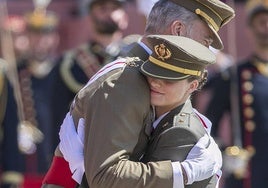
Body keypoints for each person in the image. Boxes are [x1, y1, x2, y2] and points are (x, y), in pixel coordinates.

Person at [42, 0, 235, 187]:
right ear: (178, 30)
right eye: (204, 41)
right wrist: (184, 172)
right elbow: (105, 177)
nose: (205, 51)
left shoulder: (139, 72)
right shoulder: (126, 81)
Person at [203, 0, 268, 187]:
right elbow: (208, 125)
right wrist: (225, 153)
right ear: (249, 29)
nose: (266, 27)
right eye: (261, 22)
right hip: (248, 174)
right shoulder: (235, 75)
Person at [50, 0, 129, 149]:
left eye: (114, 8)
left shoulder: (136, 58)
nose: (109, 14)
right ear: (90, 17)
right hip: (82, 149)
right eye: (103, 8)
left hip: (126, 146)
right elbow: (59, 116)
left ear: (125, 18)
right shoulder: (70, 63)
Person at [0, 2, 60, 187]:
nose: (40, 40)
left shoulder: (63, 73)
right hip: (18, 173)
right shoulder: (11, 74)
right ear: (27, 36)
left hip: (56, 172)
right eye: (34, 34)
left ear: (54, 38)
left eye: (45, 35)